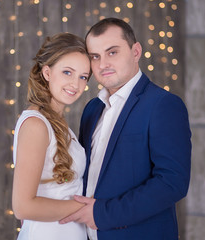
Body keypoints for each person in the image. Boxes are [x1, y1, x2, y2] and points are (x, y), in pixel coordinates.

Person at [59, 18, 192, 240]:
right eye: (95, 56)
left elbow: (172, 182)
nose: (103, 65)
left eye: (112, 52)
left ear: (136, 51)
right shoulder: (92, 108)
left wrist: (103, 214)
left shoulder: (163, 105)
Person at [12, 32, 91, 240]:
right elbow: (23, 206)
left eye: (83, 76)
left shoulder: (59, 125)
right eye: (67, 72)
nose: (76, 84)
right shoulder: (36, 125)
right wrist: (86, 207)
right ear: (47, 72)